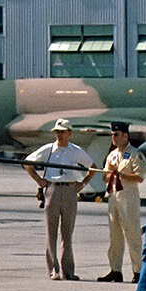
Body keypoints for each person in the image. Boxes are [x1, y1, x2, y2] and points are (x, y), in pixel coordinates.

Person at [24, 119, 96, 280]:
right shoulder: (49, 149)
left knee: (67, 233)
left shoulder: (75, 150)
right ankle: (53, 270)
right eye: (57, 132)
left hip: (70, 190)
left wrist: (83, 183)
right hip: (53, 189)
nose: (59, 135)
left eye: (62, 132)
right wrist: (38, 180)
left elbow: (92, 166)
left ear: (69, 133)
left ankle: (68, 271)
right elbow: (28, 162)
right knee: (51, 232)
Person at [99, 122, 144, 282]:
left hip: (128, 197)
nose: (113, 137)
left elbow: (139, 177)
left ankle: (138, 272)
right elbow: (104, 177)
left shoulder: (134, 154)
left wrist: (120, 174)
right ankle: (115, 270)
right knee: (115, 235)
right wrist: (110, 172)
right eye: (112, 134)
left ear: (125, 136)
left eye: (116, 135)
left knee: (132, 234)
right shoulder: (111, 155)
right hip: (113, 197)